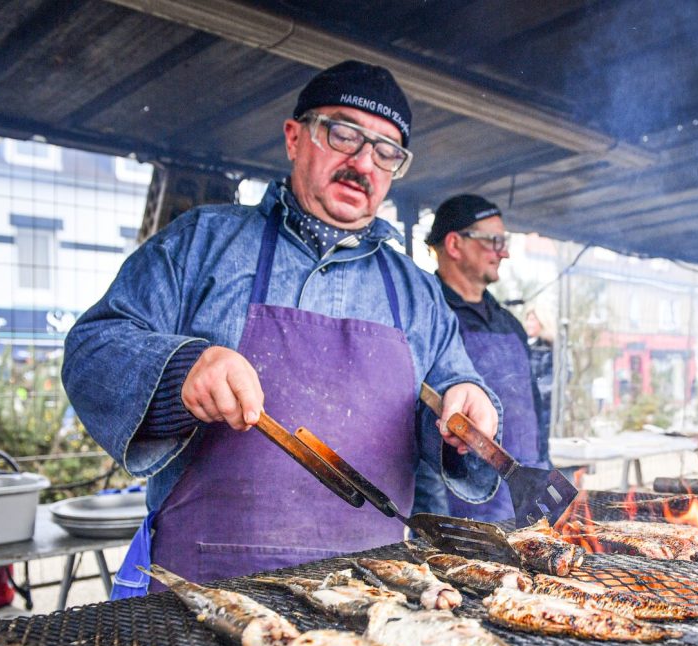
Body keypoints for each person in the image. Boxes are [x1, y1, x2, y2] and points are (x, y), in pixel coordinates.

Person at [63, 61, 500, 594]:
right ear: (295, 137)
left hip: (374, 591)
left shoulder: (419, 293)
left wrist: (468, 408)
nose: (363, 163)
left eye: (386, 151)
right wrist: (183, 367)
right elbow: (93, 347)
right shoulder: (203, 244)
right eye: (343, 133)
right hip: (207, 588)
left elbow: (454, 394)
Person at [412, 194, 548, 521]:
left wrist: (544, 470)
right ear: (455, 245)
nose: (504, 252)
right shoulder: (425, 319)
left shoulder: (509, 323)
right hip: (459, 504)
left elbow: (533, 409)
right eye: (494, 241)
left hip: (524, 488)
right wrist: (434, 516)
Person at [524, 310, 556, 441]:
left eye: (533, 319)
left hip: (543, 406)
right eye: (528, 319)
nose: (529, 324)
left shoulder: (551, 346)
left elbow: (555, 377)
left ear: (542, 322)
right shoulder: (524, 344)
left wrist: (533, 394)